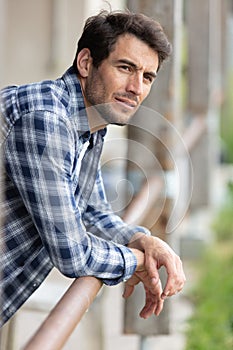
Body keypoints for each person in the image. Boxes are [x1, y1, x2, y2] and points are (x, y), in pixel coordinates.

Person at [0, 9, 186, 327]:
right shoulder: (47, 120)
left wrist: (142, 240)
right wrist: (139, 262)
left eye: (147, 77)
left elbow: (91, 213)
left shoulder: (90, 121)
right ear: (86, 63)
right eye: (125, 68)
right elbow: (72, 253)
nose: (136, 88)